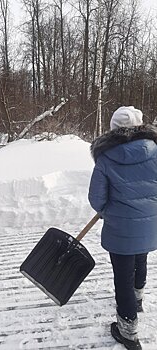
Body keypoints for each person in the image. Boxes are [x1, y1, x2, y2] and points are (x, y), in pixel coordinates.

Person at [88, 106, 157, 350]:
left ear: (113, 129)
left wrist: (108, 211)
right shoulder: (156, 151)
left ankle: (128, 331)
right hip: (150, 226)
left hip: (120, 228)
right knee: (141, 258)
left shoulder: (106, 157)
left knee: (122, 277)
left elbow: (97, 199)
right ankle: (137, 300)